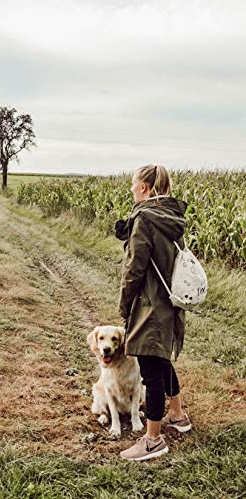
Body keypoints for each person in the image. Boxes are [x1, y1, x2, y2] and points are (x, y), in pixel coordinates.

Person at [116, 164, 192, 462]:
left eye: (134, 185)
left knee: (151, 368)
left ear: (145, 188)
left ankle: (152, 439)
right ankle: (177, 414)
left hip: (150, 305)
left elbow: (134, 268)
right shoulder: (172, 216)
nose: (132, 190)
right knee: (161, 358)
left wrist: (124, 306)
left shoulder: (145, 218)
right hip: (171, 301)